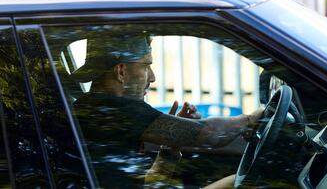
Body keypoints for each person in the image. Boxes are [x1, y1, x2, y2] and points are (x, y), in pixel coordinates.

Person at [71, 33, 263, 188]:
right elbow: (210, 133)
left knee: (236, 182)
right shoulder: (115, 110)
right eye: (146, 66)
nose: (152, 78)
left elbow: (151, 184)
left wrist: (171, 146)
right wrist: (251, 118)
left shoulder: (96, 108)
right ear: (121, 71)